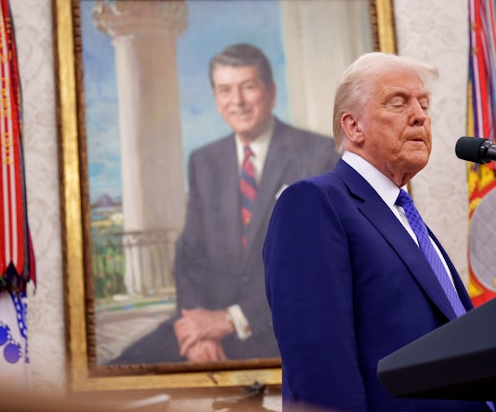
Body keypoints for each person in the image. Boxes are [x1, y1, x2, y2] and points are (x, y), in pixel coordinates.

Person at [263, 52, 496, 412]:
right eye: (399, 102)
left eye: (424, 105)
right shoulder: (314, 201)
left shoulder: (405, 218)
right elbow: (319, 365)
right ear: (353, 126)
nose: (420, 116)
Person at [111, 43, 339, 365]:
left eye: (248, 87)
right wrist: (196, 329)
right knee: (116, 374)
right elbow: (188, 255)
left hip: (279, 327)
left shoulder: (319, 154)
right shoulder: (205, 160)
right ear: (216, 99)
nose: (237, 102)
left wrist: (232, 319)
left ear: (271, 93)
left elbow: (317, 263)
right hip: (207, 324)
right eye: (225, 90)